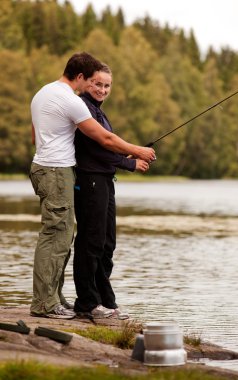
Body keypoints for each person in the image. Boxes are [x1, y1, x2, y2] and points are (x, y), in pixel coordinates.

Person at [29, 52, 156, 320]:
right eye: (92, 81)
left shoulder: (43, 92)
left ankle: (58, 298)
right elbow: (103, 139)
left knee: (66, 238)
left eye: (105, 85)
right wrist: (135, 155)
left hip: (49, 167)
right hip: (60, 171)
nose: (94, 87)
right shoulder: (72, 101)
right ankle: (57, 302)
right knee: (61, 238)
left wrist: (124, 158)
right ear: (80, 77)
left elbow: (34, 135)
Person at [74, 64, 150, 319]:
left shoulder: (98, 112)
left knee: (107, 244)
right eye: (98, 83)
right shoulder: (82, 108)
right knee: (91, 241)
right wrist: (131, 161)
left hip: (105, 180)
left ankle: (106, 301)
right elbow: (98, 148)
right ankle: (86, 303)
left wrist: (123, 158)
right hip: (90, 180)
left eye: (107, 85)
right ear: (86, 82)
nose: (102, 89)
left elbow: (106, 149)